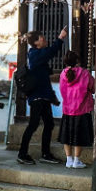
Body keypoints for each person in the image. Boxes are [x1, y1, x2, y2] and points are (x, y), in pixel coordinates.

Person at [18, 28, 68, 165]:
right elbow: (50, 52)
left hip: (43, 96)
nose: (44, 39)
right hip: (37, 98)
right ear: (36, 42)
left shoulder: (37, 55)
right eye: (42, 38)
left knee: (49, 124)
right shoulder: (34, 55)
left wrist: (52, 97)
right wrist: (60, 38)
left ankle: (45, 154)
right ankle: (22, 154)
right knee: (33, 125)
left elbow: (43, 79)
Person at [58, 50, 95, 169]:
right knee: (79, 135)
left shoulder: (63, 74)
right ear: (77, 61)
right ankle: (77, 160)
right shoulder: (84, 73)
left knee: (66, 134)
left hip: (67, 108)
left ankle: (69, 160)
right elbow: (93, 88)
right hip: (82, 109)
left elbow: (61, 90)